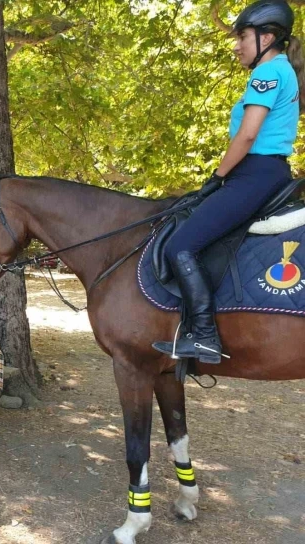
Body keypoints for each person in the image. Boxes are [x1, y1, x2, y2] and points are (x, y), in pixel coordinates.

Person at [153, 0, 305, 364]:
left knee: (180, 247)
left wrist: (217, 176)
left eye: (242, 37)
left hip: (255, 174)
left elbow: (248, 135)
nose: (236, 46)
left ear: (266, 38)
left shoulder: (268, 73)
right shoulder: (281, 70)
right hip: (262, 173)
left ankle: (205, 336)